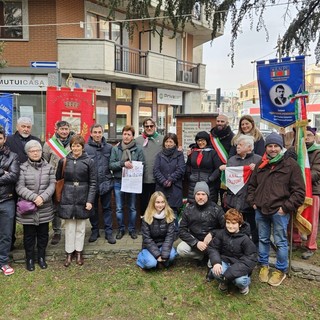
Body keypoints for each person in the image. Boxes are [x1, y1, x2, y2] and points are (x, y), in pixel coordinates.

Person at [247, 132, 305, 286]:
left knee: (280, 241)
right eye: (270, 146)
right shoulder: (261, 163)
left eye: (276, 146)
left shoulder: (290, 164)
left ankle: (280, 269)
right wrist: (253, 201)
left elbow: (299, 191)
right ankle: (264, 265)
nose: (273, 149)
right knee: (263, 239)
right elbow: (252, 185)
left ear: (281, 147)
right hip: (260, 209)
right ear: (266, 147)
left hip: (279, 211)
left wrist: (285, 208)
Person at [56, 135, 96, 267]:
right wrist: (60, 197)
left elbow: (93, 182)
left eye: (78, 145)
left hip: (83, 196)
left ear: (82, 147)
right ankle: (69, 253)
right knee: (69, 227)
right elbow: (58, 179)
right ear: (70, 146)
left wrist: (90, 200)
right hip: (67, 196)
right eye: (73, 145)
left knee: (80, 227)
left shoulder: (89, 161)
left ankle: (79, 252)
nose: (75, 148)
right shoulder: (64, 161)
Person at [15, 140, 56, 271]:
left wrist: (43, 197)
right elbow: (19, 187)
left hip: (44, 207)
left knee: (43, 235)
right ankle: (30, 259)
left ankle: (41, 257)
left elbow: (52, 185)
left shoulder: (48, 167)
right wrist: (35, 198)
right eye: (32, 151)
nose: (35, 153)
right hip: (29, 208)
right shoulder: (22, 168)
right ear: (27, 153)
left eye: (37, 150)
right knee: (29, 236)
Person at [5, 116, 41, 250]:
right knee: (10, 214)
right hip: (11, 183)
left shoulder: (36, 140)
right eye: (23, 126)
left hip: (31, 183)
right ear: (17, 127)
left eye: (28, 127)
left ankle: (32, 241)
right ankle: (10, 242)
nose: (26, 129)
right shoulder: (8, 140)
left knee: (31, 210)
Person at [220, 135, 262, 244]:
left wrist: (256, 169)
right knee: (235, 225)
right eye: (237, 144)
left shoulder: (258, 160)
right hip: (233, 200)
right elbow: (227, 182)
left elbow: (263, 180)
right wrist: (225, 171)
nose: (237, 147)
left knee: (253, 227)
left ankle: (254, 248)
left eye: (240, 144)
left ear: (249, 148)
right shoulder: (232, 160)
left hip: (250, 200)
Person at [207, 209, 257, 295]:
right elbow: (213, 248)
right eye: (228, 223)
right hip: (225, 261)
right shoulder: (221, 234)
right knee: (216, 271)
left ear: (240, 224)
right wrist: (216, 262)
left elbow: (250, 258)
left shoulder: (245, 239)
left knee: (240, 281)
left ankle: (243, 286)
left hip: (239, 265)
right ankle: (224, 282)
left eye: (234, 223)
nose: (230, 226)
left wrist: (229, 273)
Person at [109, 125, 145, 240]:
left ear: (132, 136)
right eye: (124, 134)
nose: (126, 136)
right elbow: (111, 165)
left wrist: (135, 166)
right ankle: (120, 229)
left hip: (133, 182)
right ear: (122, 135)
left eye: (129, 134)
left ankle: (132, 229)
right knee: (119, 208)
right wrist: (123, 164)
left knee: (132, 208)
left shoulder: (138, 149)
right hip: (119, 181)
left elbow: (143, 164)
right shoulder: (116, 149)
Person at [177, 181, 225, 264]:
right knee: (181, 249)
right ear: (194, 195)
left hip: (213, 243)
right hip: (196, 242)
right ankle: (201, 256)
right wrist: (196, 243)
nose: (200, 197)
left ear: (207, 195)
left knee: (213, 264)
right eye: (198, 194)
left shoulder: (217, 209)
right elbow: (182, 230)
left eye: (203, 194)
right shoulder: (188, 210)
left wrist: (212, 234)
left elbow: (226, 228)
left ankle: (212, 256)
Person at [43, 120, 74, 245]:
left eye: (66, 129)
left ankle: (70, 231)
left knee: (70, 205)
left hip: (71, 179)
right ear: (57, 130)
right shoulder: (49, 144)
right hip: (55, 180)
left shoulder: (74, 142)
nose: (64, 132)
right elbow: (44, 162)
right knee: (55, 206)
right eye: (62, 129)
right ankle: (57, 231)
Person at [85, 124, 115, 244]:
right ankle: (95, 231)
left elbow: (112, 164)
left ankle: (109, 232)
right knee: (93, 209)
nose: (97, 135)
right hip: (92, 185)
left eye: (99, 132)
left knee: (107, 208)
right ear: (91, 133)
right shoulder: (86, 148)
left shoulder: (109, 148)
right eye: (95, 132)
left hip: (106, 183)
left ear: (103, 133)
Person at [153, 133, 186, 233]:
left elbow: (181, 169)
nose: (168, 144)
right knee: (161, 209)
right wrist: (164, 181)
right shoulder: (159, 155)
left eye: (171, 141)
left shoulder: (179, 155)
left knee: (173, 211)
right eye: (166, 141)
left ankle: (175, 231)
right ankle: (162, 231)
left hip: (175, 187)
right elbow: (156, 170)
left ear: (175, 143)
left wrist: (170, 179)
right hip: (161, 187)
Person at [136, 191, 177, 269]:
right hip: (149, 247)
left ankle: (161, 261)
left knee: (171, 256)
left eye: (162, 202)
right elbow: (147, 239)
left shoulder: (170, 216)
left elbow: (170, 237)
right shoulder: (146, 217)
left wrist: (164, 255)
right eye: (157, 202)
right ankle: (141, 258)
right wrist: (158, 255)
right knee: (151, 264)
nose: (160, 205)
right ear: (152, 203)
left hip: (163, 245)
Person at [297, 126, 320, 259]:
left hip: (313, 190)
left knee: (313, 219)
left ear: (314, 137)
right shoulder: (297, 151)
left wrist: (300, 178)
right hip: (297, 189)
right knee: (295, 215)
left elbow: (317, 172)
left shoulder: (317, 152)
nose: (306, 138)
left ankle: (310, 245)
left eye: (309, 136)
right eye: (304, 136)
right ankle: (295, 240)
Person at [0, 126, 20, 276]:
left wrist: (7, 174)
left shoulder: (13, 156)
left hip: (6, 199)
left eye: (0, 138)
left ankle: (3, 261)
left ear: (4, 139)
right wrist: (2, 172)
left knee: (6, 233)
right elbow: (7, 175)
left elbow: (13, 176)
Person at [136, 118, 164, 216]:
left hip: (156, 178)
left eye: (151, 126)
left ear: (155, 127)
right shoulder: (138, 140)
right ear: (143, 127)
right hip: (142, 178)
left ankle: (156, 225)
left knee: (157, 203)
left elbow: (171, 148)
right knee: (143, 203)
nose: (149, 128)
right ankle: (144, 224)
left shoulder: (162, 139)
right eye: (146, 126)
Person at [186, 131, 222, 204]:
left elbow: (218, 168)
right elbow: (188, 165)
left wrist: (210, 179)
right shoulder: (193, 152)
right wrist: (190, 176)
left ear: (207, 141)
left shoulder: (212, 153)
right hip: (194, 184)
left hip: (208, 184)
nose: (200, 142)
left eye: (203, 140)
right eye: (198, 140)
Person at [209, 114, 235, 204]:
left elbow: (233, 155)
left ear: (227, 123)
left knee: (225, 202)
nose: (219, 123)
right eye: (218, 121)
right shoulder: (212, 136)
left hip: (225, 172)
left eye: (222, 121)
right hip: (213, 172)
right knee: (212, 200)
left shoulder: (232, 137)